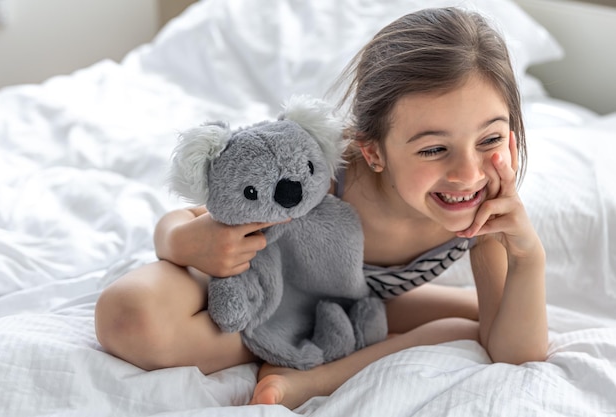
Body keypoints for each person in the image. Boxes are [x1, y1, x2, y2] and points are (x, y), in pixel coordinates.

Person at [94, 6, 548, 410]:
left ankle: (317, 374)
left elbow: (517, 353)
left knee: (477, 324)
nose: (468, 174)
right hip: (258, 281)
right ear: (372, 151)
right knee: (129, 316)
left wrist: (528, 257)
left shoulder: (484, 211)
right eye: (433, 150)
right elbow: (188, 220)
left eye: (489, 139)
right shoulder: (322, 170)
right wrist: (183, 242)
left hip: (348, 304)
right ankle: (304, 339)